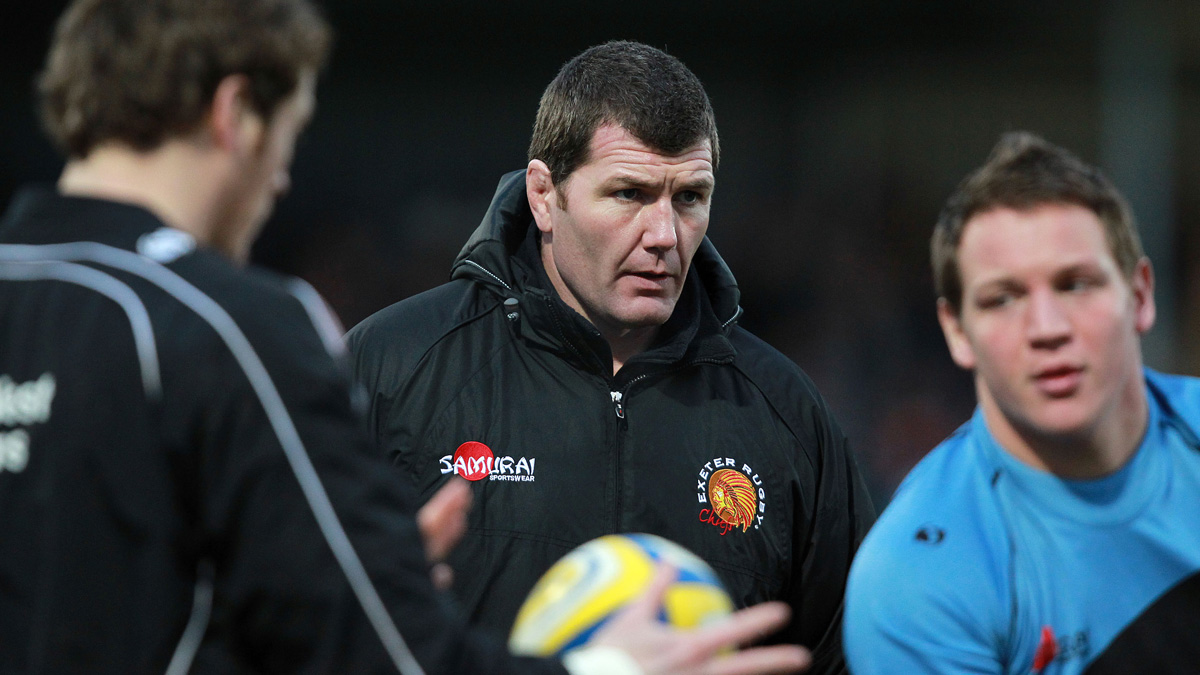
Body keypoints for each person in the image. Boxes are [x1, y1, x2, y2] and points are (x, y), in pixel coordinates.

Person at [0, 2, 813, 674]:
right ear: (236, 114)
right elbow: (383, 651)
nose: (281, 178)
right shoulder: (232, 326)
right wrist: (608, 668)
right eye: (291, 131)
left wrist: (325, 576)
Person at [347, 40, 875, 674]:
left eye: (689, 198)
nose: (663, 236)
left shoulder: (784, 410)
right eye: (629, 193)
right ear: (544, 195)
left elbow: (851, 658)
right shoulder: (390, 368)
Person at [843, 132, 1200, 673]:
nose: (1047, 328)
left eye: (1076, 284)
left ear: (1141, 295)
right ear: (957, 330)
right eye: (1002, 299)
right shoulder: (917, 575)